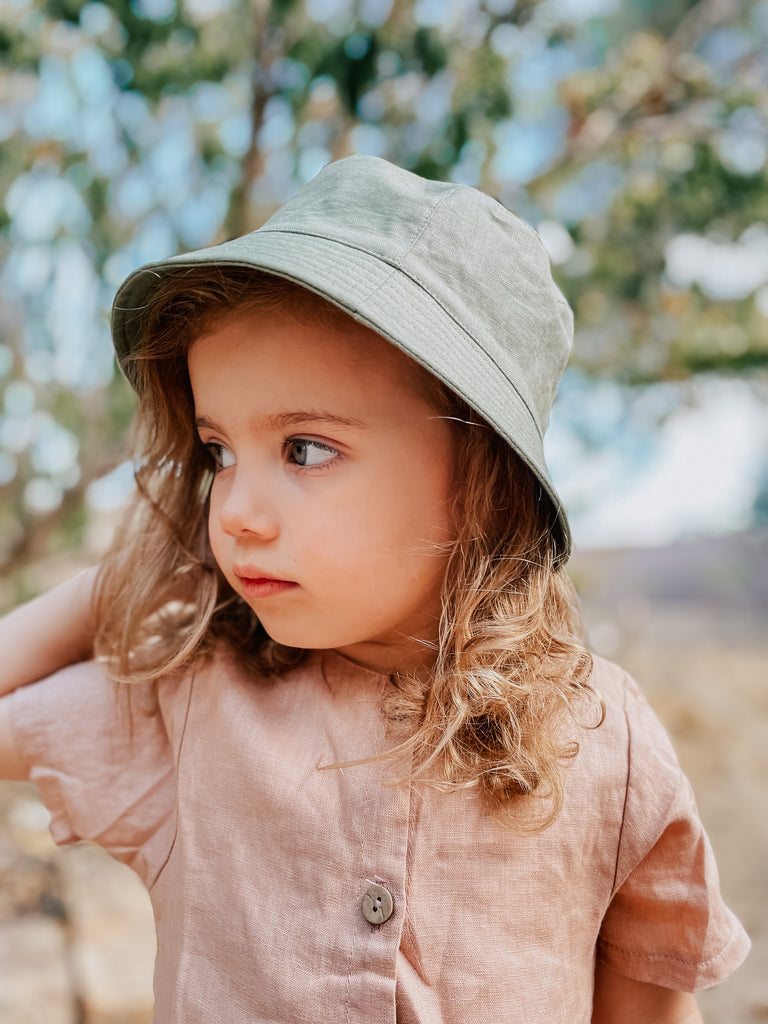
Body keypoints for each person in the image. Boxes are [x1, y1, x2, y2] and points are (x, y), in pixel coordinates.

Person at [0, 156, 750, 1023]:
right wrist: (121, 585)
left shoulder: (604, 743)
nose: (237, 512)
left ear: (485, 479)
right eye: (220, 453)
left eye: (306, 449)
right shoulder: (189, 708)